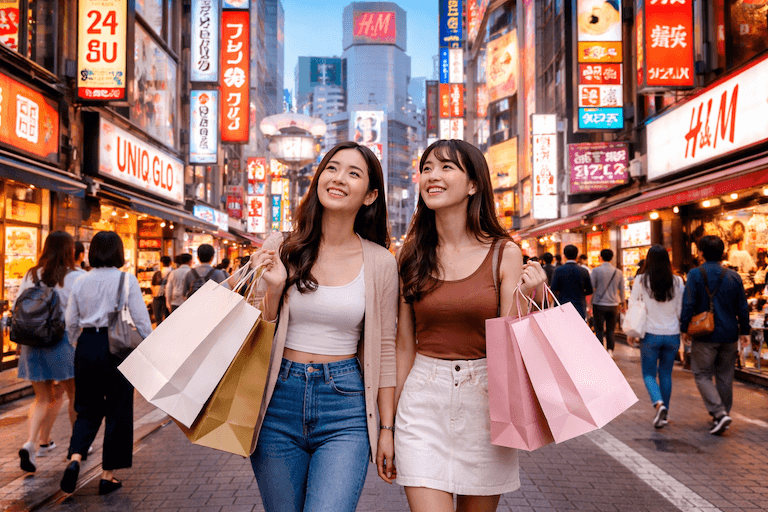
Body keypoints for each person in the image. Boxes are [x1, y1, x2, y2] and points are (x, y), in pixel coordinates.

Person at [229, 141, 396, 512]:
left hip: (346, 407)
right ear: (318, 178)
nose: (338, 178)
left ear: (370, 196)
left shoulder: (381, 262)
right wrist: (272, 289)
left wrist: (387, 429)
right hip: (277, 400)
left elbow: (385, 349)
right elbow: (254, 330)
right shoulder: (282, 246)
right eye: (332, 168)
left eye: (354, 173)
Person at [394, 139, 546, 512]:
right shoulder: (410, 253)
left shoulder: (503, 252)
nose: (433, 176)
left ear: (474, 184)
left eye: (447, 168)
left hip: (485, 399)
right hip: (422, 400)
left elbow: (510, 335)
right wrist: (387, 425)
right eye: (427, 167)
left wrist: (534, 295)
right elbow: (402, 345)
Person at [61, 231, 152, 494]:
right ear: (119, 252)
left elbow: (71, 321)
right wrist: (150, 345)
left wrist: (79, 342)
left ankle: (75, 458)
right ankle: (107, 475)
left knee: (86, 407)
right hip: (118, 348)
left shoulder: (80, 281)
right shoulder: (126, 280)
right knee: (118, 409)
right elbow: (141, 320)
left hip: (87, 346)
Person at [17, 232, 82, 473]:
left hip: (32, 341)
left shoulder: (31, 274)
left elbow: (18, 306)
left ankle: (31, 443)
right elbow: (79, 313)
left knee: (42, 398)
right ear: (70, 251)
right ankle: (76, 448)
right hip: (62, 341)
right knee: (74, 393)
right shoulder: (75, 276)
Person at [680, 235, 750, 435]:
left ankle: (719, 414)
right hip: (729, 333)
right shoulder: (734, 276)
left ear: (700, 253)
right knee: (725, 376)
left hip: (705, 333)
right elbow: (742, 306)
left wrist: (684, 327)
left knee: (701, 374)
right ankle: (722, 415)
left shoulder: (695, 274)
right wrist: (745, 330)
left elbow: (688, 303)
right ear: (723, 253)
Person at [631, 245, 684, 429]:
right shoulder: (677, 281)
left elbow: (633, 306)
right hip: (672, 334)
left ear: (648, 260)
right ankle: (664, 414)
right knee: (666, 373)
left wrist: (632, 332)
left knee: (648, 373)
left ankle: (658, 403)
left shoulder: (641, 280)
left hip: (650, 334)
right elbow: (680, 310)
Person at [591, 248, 625, 357]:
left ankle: (600, 350)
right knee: (611, 329)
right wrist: (623, 303)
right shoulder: (618, 272)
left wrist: (589, 303)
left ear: (600, 257)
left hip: (599, 303)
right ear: (612, 258)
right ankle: (610, 350)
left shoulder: (596, 271)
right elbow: (622, 289)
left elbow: (592, 287)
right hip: (614, 304)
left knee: (599, 328)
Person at [551, 244, 593, 319]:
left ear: (564, 256)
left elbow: (553, 289)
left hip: (562, 306)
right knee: (578, 328)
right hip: (579, 306)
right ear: (577, 256)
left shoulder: (558, 271)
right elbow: (589, 290)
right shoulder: (584, 271)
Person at [151, 256, 172, 324]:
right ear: (170, 263)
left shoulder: (157, 274)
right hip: (169, 298)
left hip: (157, 298)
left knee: (158, 320)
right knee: (168, 319)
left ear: (161, 263)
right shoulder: (173, 273)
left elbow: (152, 286)